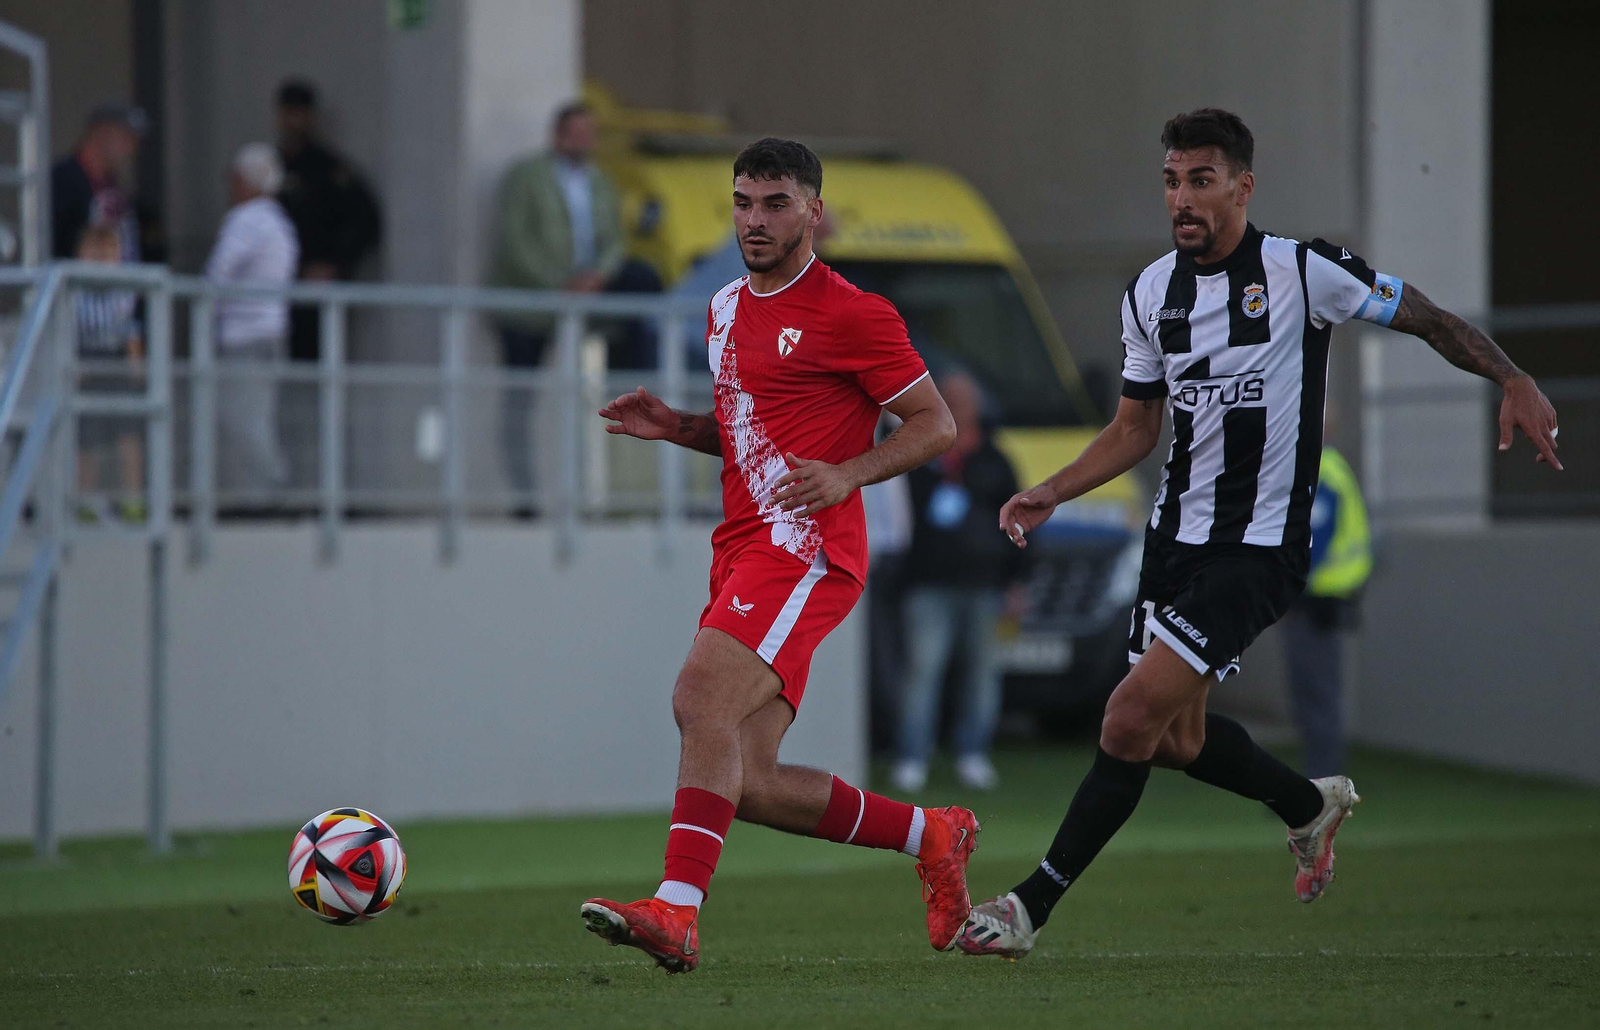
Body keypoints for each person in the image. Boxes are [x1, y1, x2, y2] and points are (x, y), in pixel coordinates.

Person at [957, 108, 1560, 960]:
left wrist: (1512, 375)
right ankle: (1308, 805)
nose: (1182, 198)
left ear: (1243, 186)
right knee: (1178, 741)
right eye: (1172, 181)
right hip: (1175, 542)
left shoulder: (1304, 271)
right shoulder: (1149, 293)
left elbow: (1424, 316)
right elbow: (1135, 428)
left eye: (1201, 180)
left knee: (1126, 719)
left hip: (1259, 547)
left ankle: (1028, 907)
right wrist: (1051, 490)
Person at [583, 138, 975, 974]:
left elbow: (936, 424)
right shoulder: (724, 306)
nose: (754, 220)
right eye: (743, 203)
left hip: (807, 549)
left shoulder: (854, 313)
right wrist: (679, 427)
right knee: (750, 780)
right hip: (742, 546)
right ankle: (933, 835)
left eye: (774, 203)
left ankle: (676, 911)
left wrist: (849, 473)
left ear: (813, 212)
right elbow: (750, 436)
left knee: (699, 698)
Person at [489, 102, 661, 516]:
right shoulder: (526, 176)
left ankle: (626, 481)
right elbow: (514, 241)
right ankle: (523, 499)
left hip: (586, 298)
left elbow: (614, 241)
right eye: (575, 131)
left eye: (589, 132)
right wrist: (559, 285)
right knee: (520, 402)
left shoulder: (599, 181)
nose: (583, 140)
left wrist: (596, 277)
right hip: (532, 307)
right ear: (557, 134)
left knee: (642, 281)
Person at [892, 371, 1027, 793]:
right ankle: (912, 757)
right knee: (922, 670)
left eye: (963, 399)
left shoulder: (995, 459)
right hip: (928, 581)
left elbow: (1020, 520)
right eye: (948, 397)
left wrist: (1016, 581)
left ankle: (973, 754)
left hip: (985, 583)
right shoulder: (919, 452)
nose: (957, 406)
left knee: (982, 673)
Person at [205, 144, 300, 500]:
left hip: (244, 336)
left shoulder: (246, 219)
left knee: (240, 418)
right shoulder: (281, 222)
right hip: (274, 333)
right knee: (256, 417)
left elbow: (216, 275)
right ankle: (255, 496)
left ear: (246, 181)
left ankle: (275, 485)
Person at [274, 80, 383, 362]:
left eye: (299, 112)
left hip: (317, 291)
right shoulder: (271, 166)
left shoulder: (329, 170)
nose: (293, 121)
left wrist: (335, 265)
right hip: (276, 289)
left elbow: (366, 222)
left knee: (318, 363)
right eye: (288, 112)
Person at [1282, 444, 1371, 778]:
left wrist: (1282, 590)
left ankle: (1322, 781)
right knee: (1312, 693)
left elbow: (1314, 540)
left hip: (1317, 602)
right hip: (1319, 600)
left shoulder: (1321, 470)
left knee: (1317, 694)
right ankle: (1319, 777)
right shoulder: (1326, 466)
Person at [72, 223, 145, 524]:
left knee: (129, 436)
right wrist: (74, 365)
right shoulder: (73, 292)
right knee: (87, 440)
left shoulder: (124, 289)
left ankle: (132, 499)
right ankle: (85, 501)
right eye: (95, 253)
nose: (101, 260)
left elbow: (131, 331)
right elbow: (67, 332)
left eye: (108, 253)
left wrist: (135, 364)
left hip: (116, 366)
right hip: (87, 365)